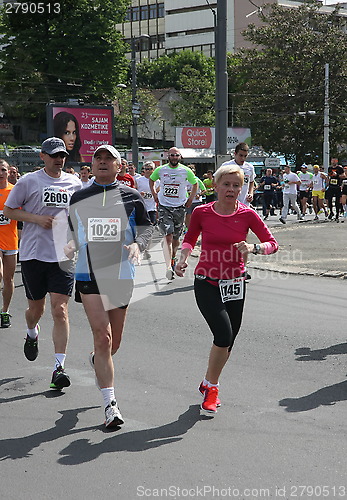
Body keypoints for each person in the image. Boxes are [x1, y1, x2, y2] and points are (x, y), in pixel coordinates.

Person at [175, 164, 278, 415]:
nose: (230, 189)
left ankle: (208, 381)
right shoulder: (202, 212)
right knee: (222, 335)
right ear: (216, 185)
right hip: (207, 281)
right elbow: (190, 237)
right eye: (226, 184)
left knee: (228, 340)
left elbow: (273, 244)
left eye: (236, 185)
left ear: (241, 189)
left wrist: (253, 249)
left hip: (235, 282)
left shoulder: (248, 214)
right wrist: (183, 257)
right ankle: (213, 388)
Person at [65, 144, 152, 429]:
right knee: (102, 337)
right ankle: (110, 405)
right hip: (88, 273)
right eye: (98, 158)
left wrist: (138, 246)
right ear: (92, 164)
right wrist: (70, 244)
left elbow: (147, 228)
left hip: (120, 274)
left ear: (119, 166)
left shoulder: (132, 197)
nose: (102, 162)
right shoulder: (79, 196)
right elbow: (75, 232)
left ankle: (96, 360)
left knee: (113, 343)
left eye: (108, 159)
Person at [4, 137, 82, 389]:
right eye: (53, 155)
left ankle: (59, 367)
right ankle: (31, 333)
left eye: (62, 155)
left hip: (63, 256)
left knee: (60, 310)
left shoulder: (74, 182)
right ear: (42, 156)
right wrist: (36, 219)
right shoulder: (29, 181)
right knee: (35, 310)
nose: (58, 159)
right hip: (33, 255)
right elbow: (9, 211)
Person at [149, 147, 198, 281]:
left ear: (180, 157)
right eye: (172, 155)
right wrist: (154, 194)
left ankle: (172, 258)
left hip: (180, 207)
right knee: (168, 237)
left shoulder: (185, 170)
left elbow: (195, 184)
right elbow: (151, 180)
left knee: (176, 239)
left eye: (176, 155)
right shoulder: (161, 170)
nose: (174, 157)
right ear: (168, 156)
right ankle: (168, 267)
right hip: (165, 206)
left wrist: (190, 199)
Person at [0, 160, 18, 328]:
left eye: (3, 169)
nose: (0, 173)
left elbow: (22, 215)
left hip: (11, 241)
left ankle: (5, 311)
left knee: (8, 278)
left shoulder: (14, 191)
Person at [136, 161, 158, 225]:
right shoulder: (138, 180)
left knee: (151, 225)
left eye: (150, 169)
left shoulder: (157, 181)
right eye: (146, 169)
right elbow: (135, 191)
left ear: (153, 170)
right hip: (141, 207)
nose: (148, 171)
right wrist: (140, 194)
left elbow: (158, 193)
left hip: (152, 208)